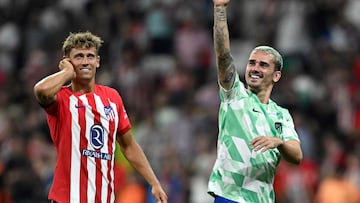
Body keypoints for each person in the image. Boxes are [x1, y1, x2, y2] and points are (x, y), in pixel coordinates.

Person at [33, 31, 168, 203]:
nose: (85, 61)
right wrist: (67, 73)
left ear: (97, 61)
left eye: (90, 56)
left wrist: (153, 182)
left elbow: (129, 145)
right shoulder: (62, 98)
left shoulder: (112, 98)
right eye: (79, 56)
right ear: (67, 61)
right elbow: (41, 90)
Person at [208, 1, 303, 203]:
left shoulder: (281, 115)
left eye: (263, 64)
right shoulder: (234, 94)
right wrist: (220, 10)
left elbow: (296, 156)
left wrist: (279, 142)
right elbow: (223, 55)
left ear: (276, 75)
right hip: (230, 196)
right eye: (252, 63)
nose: (255, 68)